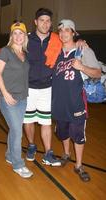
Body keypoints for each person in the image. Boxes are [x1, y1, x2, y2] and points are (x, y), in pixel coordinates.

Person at [51, 19, 101, 181]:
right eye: (61, 30)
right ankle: (66, 154)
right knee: (62, 132)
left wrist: (82, 67)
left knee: (78, 135)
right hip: (58, 102)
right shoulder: (55, 51)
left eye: (67, 30)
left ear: (74, 32)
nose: (64, 33)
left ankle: (79, 165)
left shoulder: (83, 50)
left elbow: (97, 73)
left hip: (77, 102)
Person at [23, 8, 61, 166]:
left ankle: (48, 153)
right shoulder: (26, 39)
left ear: (51, 23)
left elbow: (72, 39)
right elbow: (11, 50)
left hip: (47, 87)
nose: (45, 24)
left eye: (48, 21)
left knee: (46, 122)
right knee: (28, 120)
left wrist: (80, 40)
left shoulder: (57, 40)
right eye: (42, 20)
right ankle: (31, 145)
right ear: (35, 22)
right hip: (28, 87)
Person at [0, 22, 33, 178]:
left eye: (21, 33)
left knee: (14, 129)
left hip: (22, 98)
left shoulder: (25, 53)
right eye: (15, 33)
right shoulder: (5, 51)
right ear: (11, 36)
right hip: (7, 98)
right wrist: (6, 94)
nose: (18, 36)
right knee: (17, 131)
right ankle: (18, 165)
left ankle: (10, 155)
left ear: (25, 36)